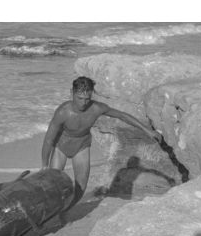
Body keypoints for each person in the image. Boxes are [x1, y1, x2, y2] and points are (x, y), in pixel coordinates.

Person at [41, 76, 162, 208]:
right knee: (51, 184)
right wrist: (44, 164)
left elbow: (122, 115)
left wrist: (148, 131)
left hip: (81, 147)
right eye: (80, 98)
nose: (83, 103)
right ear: (72, 93)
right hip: (61, 147)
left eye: (87, 99)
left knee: (80, 188)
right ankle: (50, 209)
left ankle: (64, 210)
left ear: (91, 95)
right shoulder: (63, 112)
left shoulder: (97, 108)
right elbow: (48, 140)